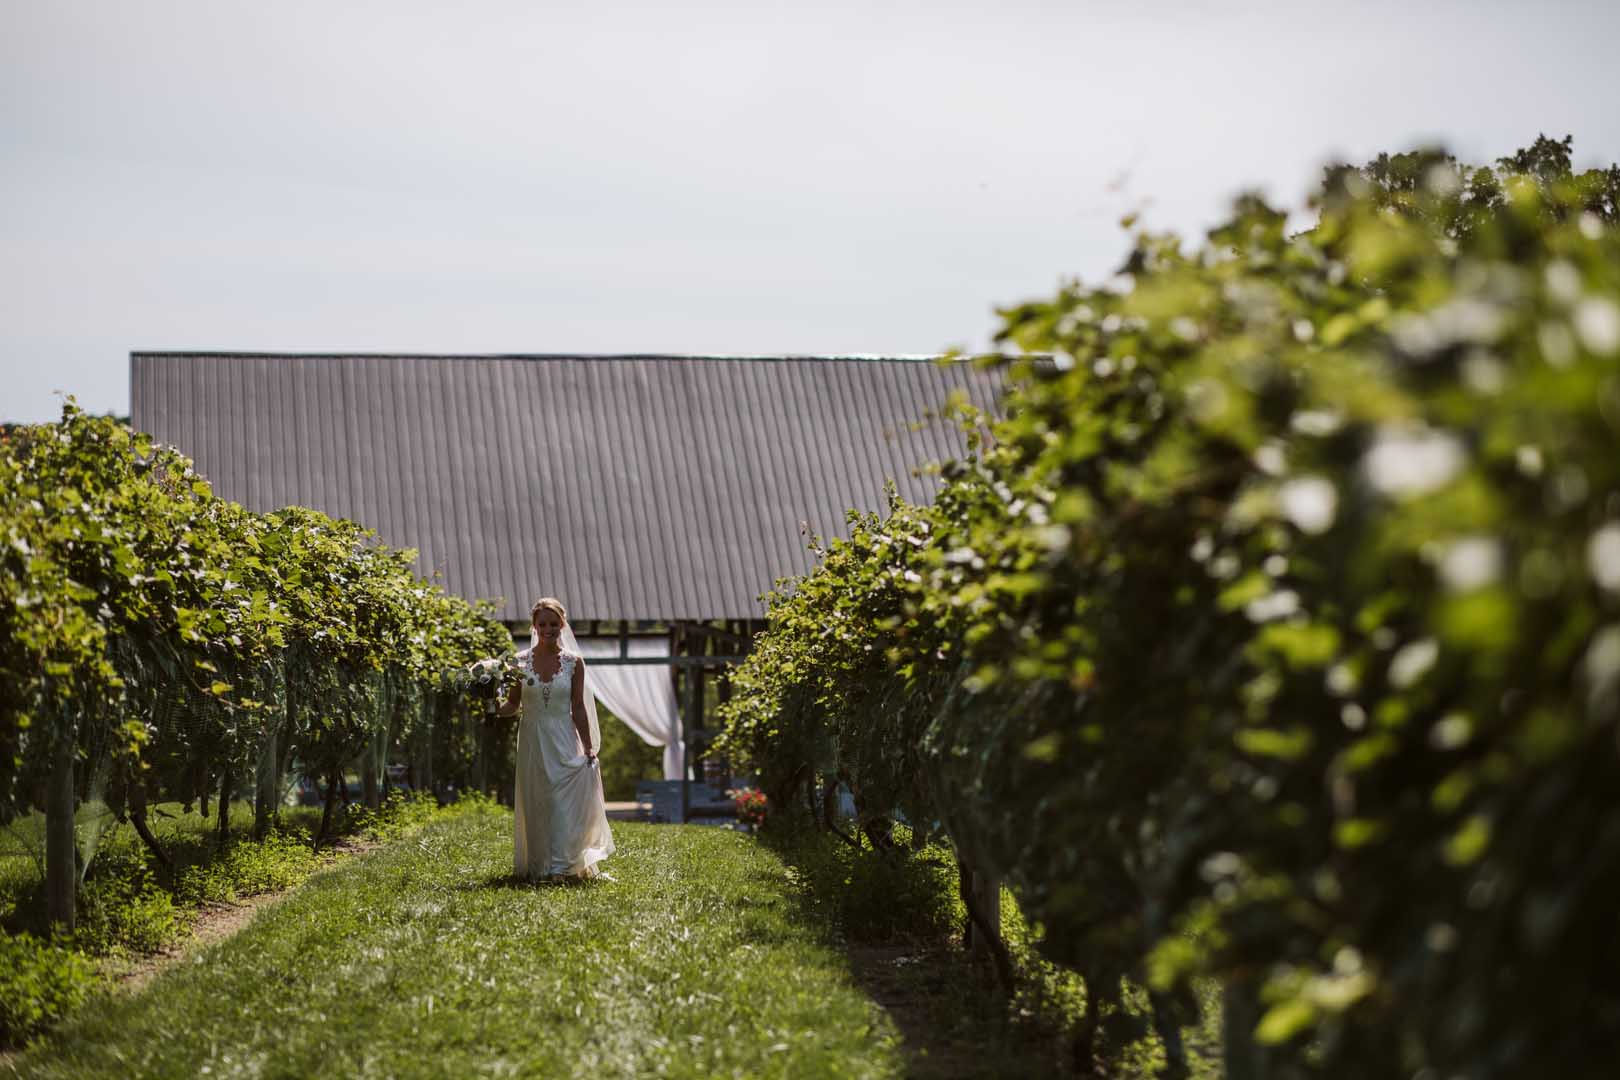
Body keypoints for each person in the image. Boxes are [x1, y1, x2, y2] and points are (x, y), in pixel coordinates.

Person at [497, 596, 615, 880]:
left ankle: (564, 867)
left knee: (564, 802)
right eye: (543, 624)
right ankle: (541, 865)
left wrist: (588, 747)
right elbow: (513, 705)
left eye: (554, 623)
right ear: (535, 626)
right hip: (532, 740)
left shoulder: (575, 663)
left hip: (564, 737)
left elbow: (578, 706)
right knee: (539, 802)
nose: (548, 628)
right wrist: (490, 703)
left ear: (562, 624)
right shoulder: (518, 662)